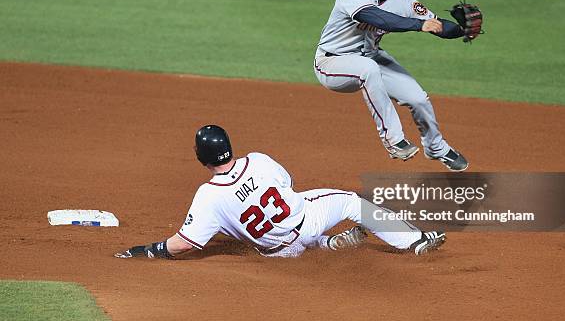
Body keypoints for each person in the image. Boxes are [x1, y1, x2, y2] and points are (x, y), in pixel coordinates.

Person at [114, 125, 446, 260]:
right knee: (350, 202)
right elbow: (287, 185)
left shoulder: (208, 197)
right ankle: (413, 242)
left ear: (201, 158)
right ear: (230, 147)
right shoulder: (257, 161)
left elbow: (184, 243)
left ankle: (328, 245)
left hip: (278, 254)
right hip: (307, 222)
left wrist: (147, 250)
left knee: (273, 230)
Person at [315, 0, 470, 171]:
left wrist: (462, 30)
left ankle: (436, 148)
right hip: (332, 63)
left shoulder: (402, 0)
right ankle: (393, 140)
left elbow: (436, 25)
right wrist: (417, 25)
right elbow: (374, 16)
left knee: (418, 98)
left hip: (371, 58)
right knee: (367, 70)